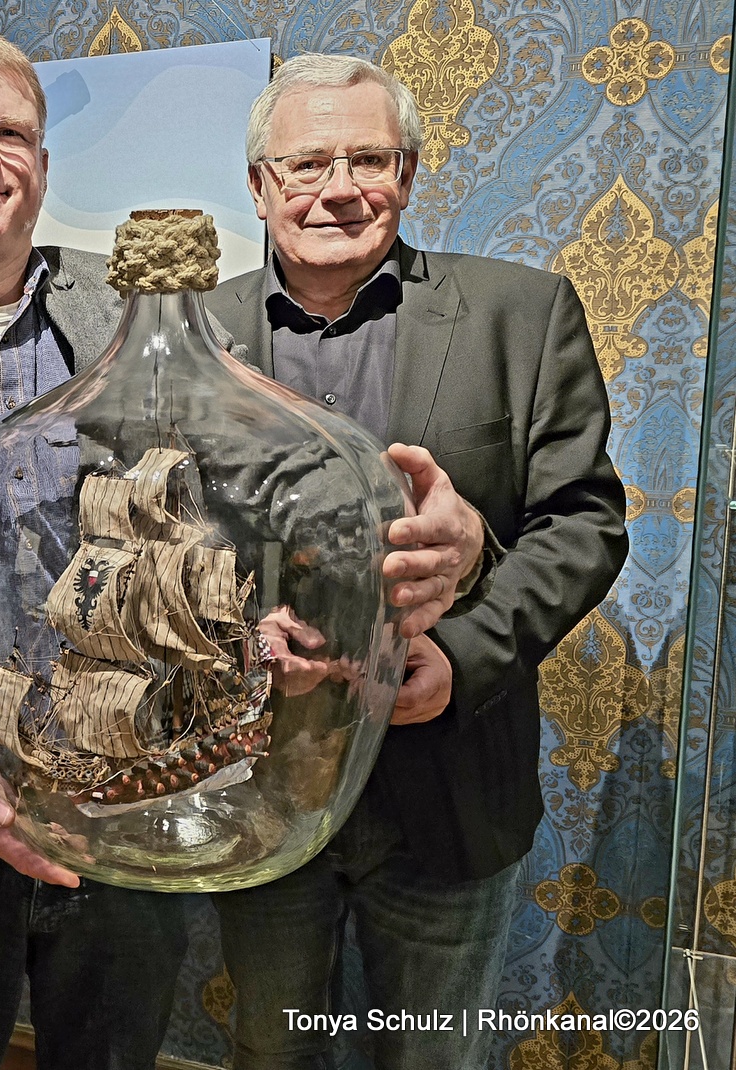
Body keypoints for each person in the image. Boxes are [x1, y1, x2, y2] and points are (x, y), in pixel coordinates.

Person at [0, 29, 485, 1069]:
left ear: (43, 168)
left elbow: (254, 495)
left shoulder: (143, 311)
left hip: (128, 817)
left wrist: (435, 540)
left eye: (9, 133)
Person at [204, 54, 629, 1069]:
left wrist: (463, 656)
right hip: (258, 786)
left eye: (369, 159)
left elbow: (585, 522)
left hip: (447, 788)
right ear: (259, 184)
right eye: (306, 162)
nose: (338, 187)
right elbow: (161, 533)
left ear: (407, 173)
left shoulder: (521, 314)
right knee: (271, 1051)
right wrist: (230, 633)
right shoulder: (196, 333)